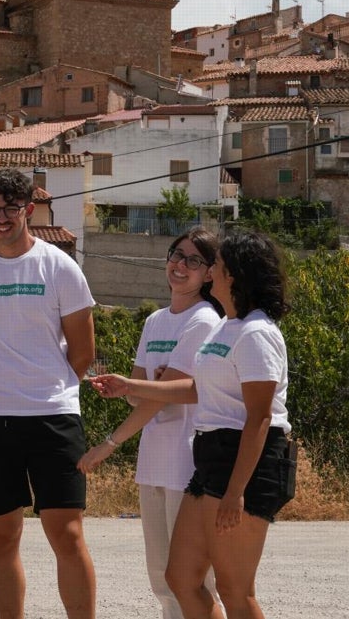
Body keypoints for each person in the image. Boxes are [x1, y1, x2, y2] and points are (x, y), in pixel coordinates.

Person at [88, 230, 292, 619]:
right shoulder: (225, 327)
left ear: (234, 274)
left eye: (216, 263)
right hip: (210, 459)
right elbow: (197, 387)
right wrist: (138, 384)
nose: (209, 268)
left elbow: (260, 416)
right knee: (180, 578)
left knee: (236, 590)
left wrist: (236, 491)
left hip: (246, 461)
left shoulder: (257, 332)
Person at [0, 167, 98, 619]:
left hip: (54, 418)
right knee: (2, 536)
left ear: (29, 210)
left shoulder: (60, 266)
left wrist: (44, 389)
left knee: (66, 534)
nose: (1, 217)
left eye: (11, 208)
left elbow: (83, 352)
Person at [77, 228, 226, 619]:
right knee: (162, 580)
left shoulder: (204, 321)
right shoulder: (156, 321)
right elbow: (140, 396)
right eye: (177, 255)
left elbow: (156, 393)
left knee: (193, 580)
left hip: (187, 463)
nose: (180, 266)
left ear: (209, 273)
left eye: (193, 260)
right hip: (154, 464)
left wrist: (109, 443)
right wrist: (147, 387)